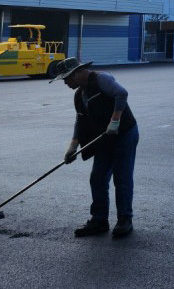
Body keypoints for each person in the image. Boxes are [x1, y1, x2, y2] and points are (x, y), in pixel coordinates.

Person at [51, 58, 139, 238]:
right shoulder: (79, 95)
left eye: (66, 79)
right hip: (104, 138)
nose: (66, 83)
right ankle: (99, 220)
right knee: (97, 178)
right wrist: (72, 147)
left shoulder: (101, 79)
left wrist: (114, 121)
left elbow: (121, 94)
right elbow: (80, 120)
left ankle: (125, 219)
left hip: (124, 134)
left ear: (76, 73)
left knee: (121, 178)